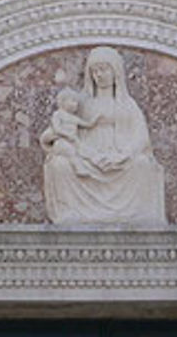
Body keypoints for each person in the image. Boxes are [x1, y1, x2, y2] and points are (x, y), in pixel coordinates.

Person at [41, 47, 166, 225]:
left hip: (119, 158)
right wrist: (53, 137)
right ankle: (72, 212)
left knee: (142, 164)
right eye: (95, 70)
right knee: (59, 165)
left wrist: (123, 155)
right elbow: (58, 128)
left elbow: (141, 137)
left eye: (104, 69)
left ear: (116, 72)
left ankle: (134, 214)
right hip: (86, 157)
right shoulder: (80, 103)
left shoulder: (127, 104)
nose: (99, 75)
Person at [40, 88, 96, 159]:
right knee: (72, 153)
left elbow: (87, 124)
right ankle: (79, 167)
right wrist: (68, 135)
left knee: (82, 151)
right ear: (62, 102)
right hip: (62, 140)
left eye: (76, 102)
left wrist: (96, 119)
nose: (76, 104)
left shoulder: (73, 118)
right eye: (73, 101)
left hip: (73, 141)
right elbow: (57, 129)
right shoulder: (58, 114)